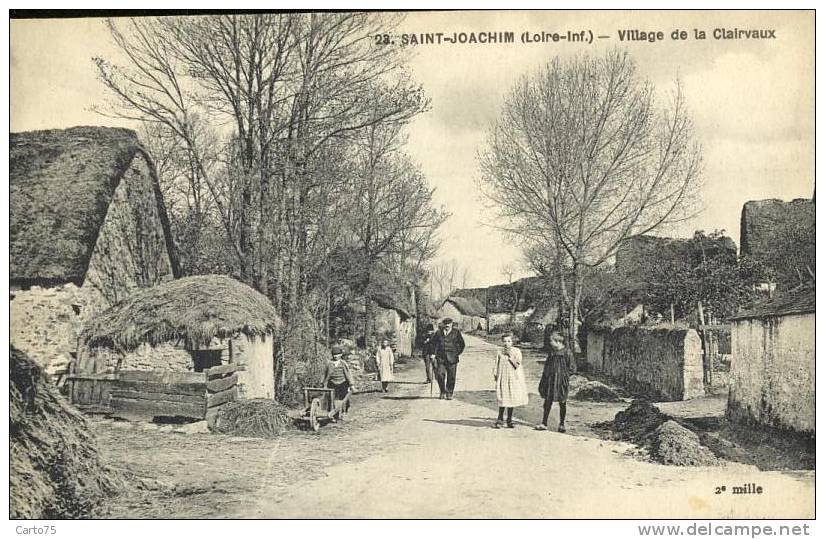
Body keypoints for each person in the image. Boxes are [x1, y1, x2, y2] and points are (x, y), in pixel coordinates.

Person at [536, 329, 574, 432]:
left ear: (558, 341)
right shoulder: (552, 353)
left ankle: (561, 424)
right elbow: (547, 366)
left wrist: (563, 377)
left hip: (561, 382)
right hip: (550, 381)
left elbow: (572, 368)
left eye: (551, 341)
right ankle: (544, 423)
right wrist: (545, 377)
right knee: (547, 402)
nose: (550, 343)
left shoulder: (567, 353)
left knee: (562, 402)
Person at [492, 332, 529, 428]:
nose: (506, 343)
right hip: (502, 377)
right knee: (502, 396)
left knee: (511, 397)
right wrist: (495, 374)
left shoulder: (516, 351)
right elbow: (496, 363)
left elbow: (517, 364)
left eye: (509, 341)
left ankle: (509, 419)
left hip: (513, 377)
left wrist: (510, 356)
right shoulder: (499, 351)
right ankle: (500, 419)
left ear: (512, 342)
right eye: (504, 341)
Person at [430, 318, 465, 400]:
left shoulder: (456, 332)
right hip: (441, 358)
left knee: (451, 376)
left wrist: (457, 353)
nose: (447, 326)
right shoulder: (438, 333)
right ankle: (442, 391)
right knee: (440, 375)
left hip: (452, 358)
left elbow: (462, 344)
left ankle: (449, 393)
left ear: (452, 324)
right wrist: (433, 354)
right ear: (443, 324)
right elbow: (433, 344)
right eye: (445, 324)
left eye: (448, 324)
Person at [321, 345, 354, 422]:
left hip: (342, 382)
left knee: (344, 398)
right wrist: (323, 382)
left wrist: (351, 384)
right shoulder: (329, 363)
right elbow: (325, 374)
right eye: (334, 355)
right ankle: (333, 415)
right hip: (332, 383)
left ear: (341, 355)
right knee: (331, 399)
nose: (336, 356)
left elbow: (348, 374)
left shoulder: (343, 363)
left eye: (337, 355)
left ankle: (344, 413)